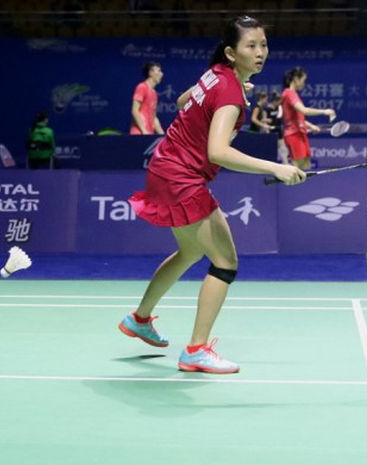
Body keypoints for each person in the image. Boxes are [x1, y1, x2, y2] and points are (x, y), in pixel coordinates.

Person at [121, 16, 305, 374]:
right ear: (231, 52)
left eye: (263, 44)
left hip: (165, 166)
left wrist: (229, 92)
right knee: (225, 263)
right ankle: (196, 350)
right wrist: (276, 167)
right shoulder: (230, 91)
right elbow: (218, 151)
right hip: (181, 177)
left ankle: (139, 319)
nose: (260, 52)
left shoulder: (217, 75)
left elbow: (182, 101)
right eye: (250, 46)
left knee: (190, 251)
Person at [281, 66, 336, 170]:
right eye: (303, 80)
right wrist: (324, 111)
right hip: (294, 134)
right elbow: (304, 110)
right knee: (298, 169)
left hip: (300, 133)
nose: (304, 84)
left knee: (306, 166)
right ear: (296, 79)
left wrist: (311, 126)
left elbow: (296, 117)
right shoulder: (289, 93)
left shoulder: (292, 94)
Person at [130, 61, 165, 135]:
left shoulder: (154, 93)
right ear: (151, 73)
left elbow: (154, 117)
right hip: (139, 134)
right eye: (158, 71)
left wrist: (163, 135)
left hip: (149, 134)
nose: (161, 74)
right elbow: (135, 110)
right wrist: (144, 131)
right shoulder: (142, 87)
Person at [264, 91, 288, 164]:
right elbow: (264, 120)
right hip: (270, 131)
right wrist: (266, 130)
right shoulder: (267, 109)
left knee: (283, 148)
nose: (280, 103)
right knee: (271, 150)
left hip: (278, 130)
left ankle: (285, 163)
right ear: (275, 100)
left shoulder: (279, 107)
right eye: (279, 101)